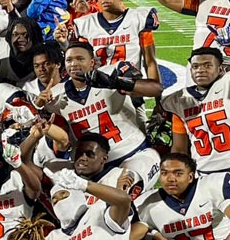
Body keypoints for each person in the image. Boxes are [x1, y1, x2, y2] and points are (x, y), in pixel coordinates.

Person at [159, 28, 230, 240]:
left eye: (207, 65)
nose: (200, 70)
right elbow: (179, 148)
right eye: (195, 66)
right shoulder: (179, 101)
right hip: (207, 179)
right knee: (217, 237)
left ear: (221, 70)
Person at [36, 41, 163, 190]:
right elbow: (59, 140)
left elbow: (155, 88)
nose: (74, 64)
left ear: (92, 63)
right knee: (52, 181)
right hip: (93, 167)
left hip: (133, 153)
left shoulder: (112, 71)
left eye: (80, 59)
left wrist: (116, 83)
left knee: (126, 187)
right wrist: (39, 105)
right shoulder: (55, 96)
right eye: (69, 60)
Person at [131, 154, 230, 240]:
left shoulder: (211, 186)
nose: (170, 179)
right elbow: (124, 239)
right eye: (164, 173)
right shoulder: (148, 204)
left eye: (178, 173)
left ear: (190, 177)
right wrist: (123, 202)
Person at [71, 0, 160, 79]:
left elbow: (150, 62)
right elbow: (81, 61)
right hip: (99, 89)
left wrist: (156, 92)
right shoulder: (85, 24)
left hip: (131, 87)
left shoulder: (139, 19)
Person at [43, 164, 133, 240]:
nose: (59, 201)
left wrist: (83, 184)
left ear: (77, 194)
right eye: (54, 200)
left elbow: (124, 201)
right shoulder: (53, 239)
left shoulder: (99, 210)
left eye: (63, 194)